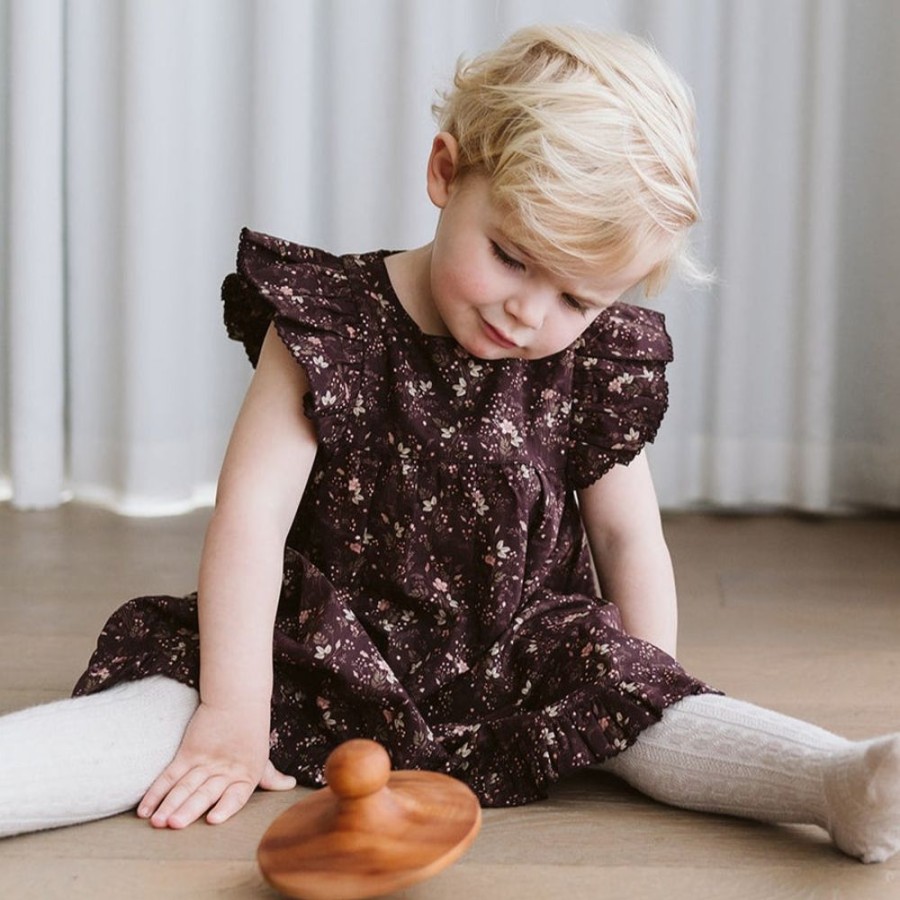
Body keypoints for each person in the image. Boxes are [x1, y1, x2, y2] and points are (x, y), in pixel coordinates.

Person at [1, 24, 898, 864]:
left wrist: (638, 686)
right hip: (315, 642)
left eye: (577, 300)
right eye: (511, 257)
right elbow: (250, 522)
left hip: (518, 647)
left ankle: (835, 782)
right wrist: (236, 711)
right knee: (166, 708)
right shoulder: (331, 324)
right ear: (445, 172)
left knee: (673, 712)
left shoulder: (590, 360)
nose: (530, 313)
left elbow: (630, 536)